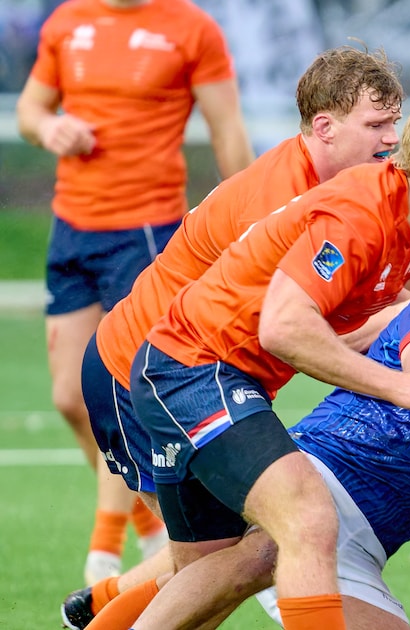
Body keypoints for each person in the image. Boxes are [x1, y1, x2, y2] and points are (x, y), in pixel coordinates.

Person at [86, 199, 410, 630]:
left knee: (212, 569)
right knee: (253, 556)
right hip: (320, 480)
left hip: (364, 548)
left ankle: (94, 610)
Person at [126, 82, 410, 630]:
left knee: (214, 573)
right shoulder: (357, 215)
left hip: (204, 370)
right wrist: (400, 387)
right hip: (192, 368)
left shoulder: (409, 206)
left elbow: (403, 253)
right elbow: (283, 327)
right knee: (308, 518)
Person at [57, 44, 408, 630]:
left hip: (186, 375)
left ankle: (97, 609)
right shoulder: (288, 201)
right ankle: (97, 611)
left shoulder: (334, 190)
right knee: (238, 553)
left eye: (395, 121)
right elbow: (300, 332)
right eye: (377, 123)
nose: (392, 138)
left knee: (224, 559)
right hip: (140, 374)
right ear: (324, 127)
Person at [15, 0, 255, 585]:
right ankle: (151, 533)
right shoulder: (67, 21)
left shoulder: (191, 27)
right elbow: (29, 108)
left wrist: (250, 221)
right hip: (71, 227)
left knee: (120, 391)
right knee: (71, 398)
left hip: (147, 234)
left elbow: (226, 128)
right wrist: (50, 128)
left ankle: (103, 553)